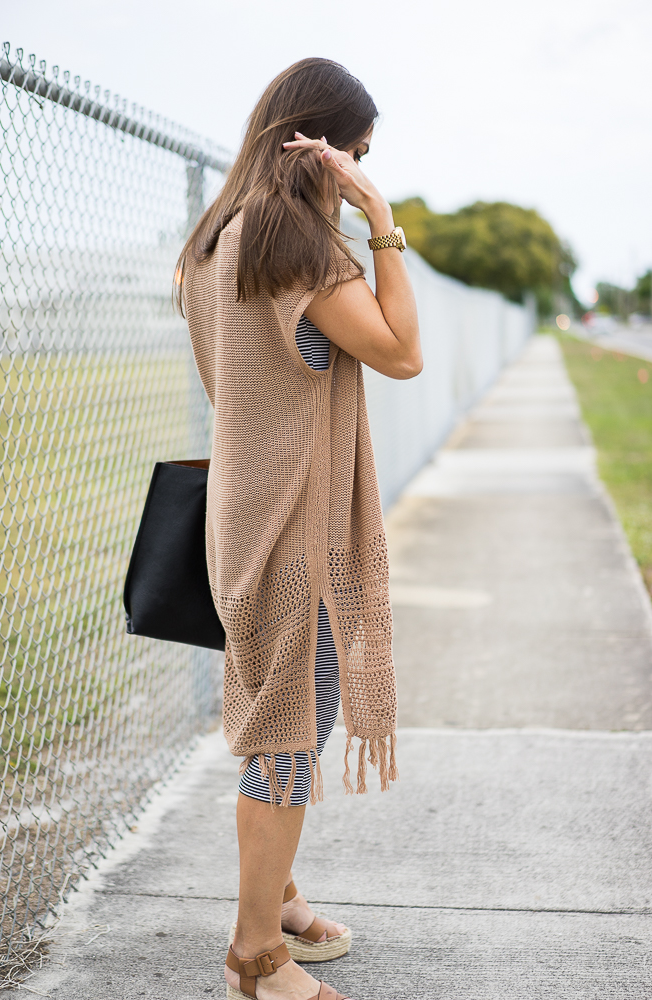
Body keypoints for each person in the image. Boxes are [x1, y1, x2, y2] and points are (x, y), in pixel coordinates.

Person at [176, 56, 421, 1000]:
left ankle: (275, 900)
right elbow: (401, 351)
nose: (355, 166)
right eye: (351, 151)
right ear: (316, 145)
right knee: (287, 736)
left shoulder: (216, 236)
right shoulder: (297, 245)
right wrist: (381, 221)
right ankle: (254, 957)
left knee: (273, 721)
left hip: (241, 513)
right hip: (292, 530)